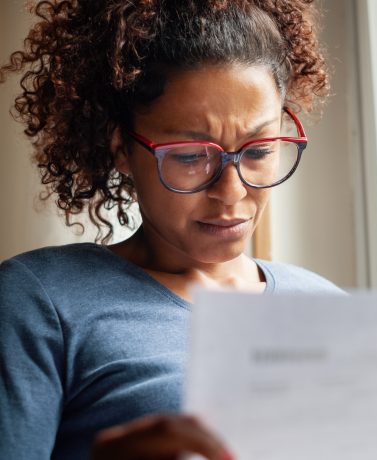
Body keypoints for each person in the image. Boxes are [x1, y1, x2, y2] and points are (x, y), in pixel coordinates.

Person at [0, 1, 342, 458]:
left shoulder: (331, 309)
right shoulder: (40, 302)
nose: (231, 191)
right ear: (123, 149)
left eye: (259, 150)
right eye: (188, 156)